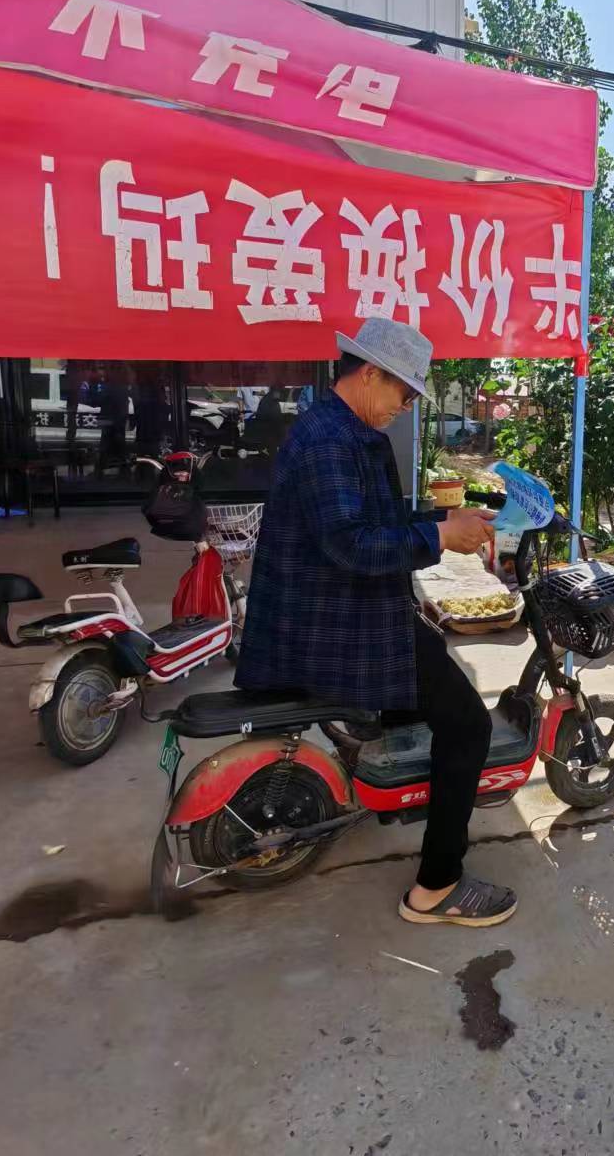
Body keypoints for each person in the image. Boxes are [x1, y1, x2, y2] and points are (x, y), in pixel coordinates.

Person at [234, 317, 514, 927]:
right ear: (368, 374)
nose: (405, 406)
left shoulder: (344, 430)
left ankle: (380, 771)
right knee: (467, 723)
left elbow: (376, 523)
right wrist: (439, 536)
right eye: (404, 393)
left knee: (425, 688)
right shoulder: (330, 442)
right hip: (334, 625)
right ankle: (437, 887)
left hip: (346, 610)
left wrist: (442, 522)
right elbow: (352, 544)